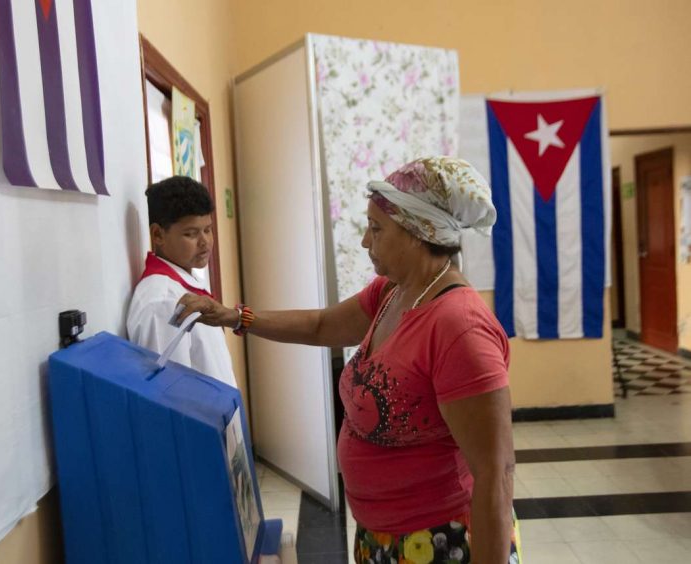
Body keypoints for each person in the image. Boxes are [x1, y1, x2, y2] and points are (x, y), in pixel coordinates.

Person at [173, 157, 521, 563]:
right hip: (383, 536)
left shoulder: (460, 329)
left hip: (441, 540)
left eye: (377, 229)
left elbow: (496, 475)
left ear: (419, 232)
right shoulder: (393, 292)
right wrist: (235, 317)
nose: (365, 242)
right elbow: (321, 326)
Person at [126, 176, 237, 389]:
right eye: (191, 233)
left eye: (208, 229)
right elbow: (170, 395)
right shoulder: (162, 302)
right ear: (158, 234)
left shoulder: (187, 284)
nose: (205, 242)